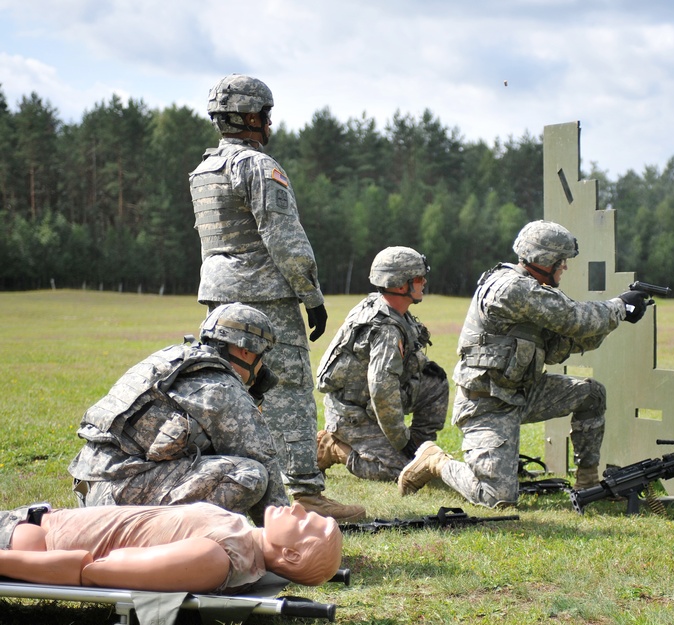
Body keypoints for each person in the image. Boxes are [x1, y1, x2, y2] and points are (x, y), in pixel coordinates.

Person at [190, 74, 362, 522]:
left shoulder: (204, 171)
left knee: (230, 390)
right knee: (288, 390)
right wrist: (312, 296)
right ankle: (305, 494)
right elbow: (284, 238)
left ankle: (233, 490)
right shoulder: (258, 167)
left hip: (219, 299)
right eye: (266, 115)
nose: (269, 124)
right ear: (250, 117)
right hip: (265, 299)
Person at [397, 220, 649, 508]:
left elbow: (561, 343)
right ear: (545, 260)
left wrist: (615, 319)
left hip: (521, 392)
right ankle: (436, 462)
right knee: (497, 498)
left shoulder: (535, 289)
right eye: (561, 261)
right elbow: (575, 318)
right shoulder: (513, 289)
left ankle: (588, 481)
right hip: (487, 403)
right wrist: (621, 307)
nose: (564, 268)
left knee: (591, 394)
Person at [68, 304, 294, 526]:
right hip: (118, 499)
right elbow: (263, 462)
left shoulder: (170, 359)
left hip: (90, 487)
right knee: (252, 475)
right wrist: (288, 535)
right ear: (247, 351)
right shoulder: (222, 388)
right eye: (262, 356)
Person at [0, 501, 341, 593]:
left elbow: (92, 571)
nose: (295, 508)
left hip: (31, 541)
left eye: (303, 522)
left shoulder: (214, 559)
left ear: (291, 554)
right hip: (37, 522)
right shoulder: (239, 534)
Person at [315, 247, 448, 482]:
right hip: (353, 414)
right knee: (400, 471)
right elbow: (381, 392)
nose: (424, 281)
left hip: (368, 403)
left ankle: (419, 449)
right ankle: (333, 447)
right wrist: (401, 441)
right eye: (418, 278)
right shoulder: (386, 329)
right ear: (399, 286)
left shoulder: (386, 307)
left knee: (435, 383)